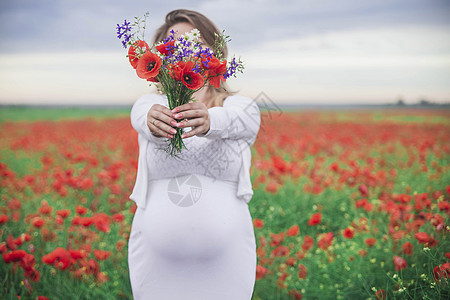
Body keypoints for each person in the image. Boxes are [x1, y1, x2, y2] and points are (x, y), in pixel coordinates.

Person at [127, 9, 261, 300]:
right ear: (160, 58)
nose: (182, 48)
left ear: (214, 50)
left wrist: (211, 121)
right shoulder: (150, 105)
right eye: (171, 42)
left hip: (227, 259)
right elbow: (140, 117)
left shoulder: (237, 106)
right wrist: (152, 119)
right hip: (155, 261)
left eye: (193, 40)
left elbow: (246, 121)